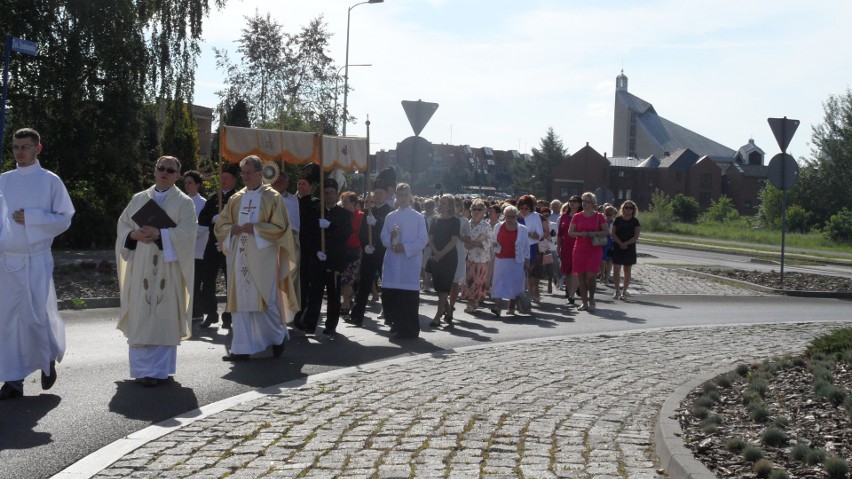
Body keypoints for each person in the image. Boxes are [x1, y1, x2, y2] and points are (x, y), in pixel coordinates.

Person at [0, 128, 75, 400]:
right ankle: (12, 379)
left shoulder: (50, 181)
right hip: (7, 260)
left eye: (25, 146)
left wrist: (32, 217)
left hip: (36, 259)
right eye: (15, 147)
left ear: (37, 149)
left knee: (35, 316)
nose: (19, 152)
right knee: (7, 321)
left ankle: (47, 361)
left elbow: (65, 217)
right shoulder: (3, 181)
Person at [116, 156, 196, 386]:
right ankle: (141, 370)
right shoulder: (139, 198)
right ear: (154, 171)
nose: (164, 172)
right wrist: (133, 235)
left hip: (167, 267)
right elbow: (123, 226)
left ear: (177, 175)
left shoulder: (184, 203)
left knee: (164, 313)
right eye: (161, 168)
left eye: (170, 170)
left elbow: (188, 233)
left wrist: (161, 234)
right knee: (142, 313)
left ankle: (159, 371)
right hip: (141, 263)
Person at [214, 155, 297, 361]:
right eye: (243, 172)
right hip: (238, 257)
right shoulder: (236, 198)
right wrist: (229, 229)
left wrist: (257, 229)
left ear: (261, 173)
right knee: (239, 304)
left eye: (249, 172)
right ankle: (241, 348)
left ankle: (277, 337)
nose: (246, 176)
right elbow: (220, 225)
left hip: (263, 258)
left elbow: (281, 228)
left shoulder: (272, 197)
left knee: (265, 303)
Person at [297, 178, 352, 335]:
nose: (328, 196)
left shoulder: (344, 214)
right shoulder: (315, 212)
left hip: (334, 260)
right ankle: (310, 324)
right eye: (325, 193)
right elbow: (307, 235)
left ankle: (331, 325)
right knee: (315, 293)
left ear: (336, 194)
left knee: (334, 294)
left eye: (331, 193)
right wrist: (316, 251)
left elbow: (345, 234)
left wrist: (331, 226)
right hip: (318, 259)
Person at [380, 183, 428, 339]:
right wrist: (391, 242)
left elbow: (423, 240)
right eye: (400, 195)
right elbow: (383, 236)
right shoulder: (390, 216)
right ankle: (395, 324)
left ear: (410, 196)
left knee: (408, 299)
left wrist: (405, 247)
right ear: (396, 197)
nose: (403, 198)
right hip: (393, 262)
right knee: (392, 296)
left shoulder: (418, 217)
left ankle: (411, 329)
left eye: (406, 194)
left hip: (409, 263)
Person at [197, 162, 240, 329]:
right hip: (213, 244)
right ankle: (211, 313)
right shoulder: (214, 198)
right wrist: (213, 218)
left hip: (230, 244)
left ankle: (229, 315)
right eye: (221, 178)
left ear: (234, 180)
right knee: (207, 279)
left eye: (227, 178)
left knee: (231, 281)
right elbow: (202, 219)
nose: (224, 181)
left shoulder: (238, 198)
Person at [345, 184, 391, 327]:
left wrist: (377, 223)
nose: (377, 196)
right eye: (375, 193)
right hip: (369, 253)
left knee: (387, 285)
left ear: (386, 196)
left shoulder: (390, 212)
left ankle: (389, 316)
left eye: (380, 193)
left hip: (383, 253)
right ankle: (357, 316)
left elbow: (390, 231)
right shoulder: (367, 211)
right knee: (364, 285)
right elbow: (362, 232)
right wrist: (365, 245)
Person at [568, 192, 609, 312]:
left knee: (591, 275)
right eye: (583, 201)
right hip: (580, 249)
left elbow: (606, 232)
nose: (584, 204)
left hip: (594, 249)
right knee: (581, 276)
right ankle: (584, 302)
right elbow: (571, 232)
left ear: (593, 204)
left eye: (587, 201)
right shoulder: (577, 216)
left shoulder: (599, 216)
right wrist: (580, 234)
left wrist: (593, 233)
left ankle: (591, 296)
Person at [271, 170, 301, 325]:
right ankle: (272, 312)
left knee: (290, 276)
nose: (278, 184)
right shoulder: (266, 198)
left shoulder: (293, 200)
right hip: (270, 243)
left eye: (282, 181)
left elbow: (295, 224)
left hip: (289, 241)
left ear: (287, 183)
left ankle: (291, 313)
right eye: (275, 181)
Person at [490, 205, 530, 316]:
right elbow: (492, 239)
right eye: (508, 216)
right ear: (504, 215)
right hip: (501, 259)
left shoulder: (522, 229)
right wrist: (494, 244)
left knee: (515, 284)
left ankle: (511, 307)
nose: (510, 218)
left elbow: (527, 246)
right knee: (498, 282)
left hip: (516, 261)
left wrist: (527, 260)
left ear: (516, 216)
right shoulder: (498, 226)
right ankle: (497, 307)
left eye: (512, 216)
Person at [427, 194, 460, 328]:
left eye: (444, 203)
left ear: (450, 206)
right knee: (438, 287)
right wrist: (435, 251)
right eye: (440, 203)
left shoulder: (455, 221)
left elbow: (454, 240)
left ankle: (437, 317)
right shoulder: (435, 219)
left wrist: (441, 253)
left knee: (444, 288)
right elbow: (429, 238)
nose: (441, 205)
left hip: (449, 258)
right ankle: (447, 308)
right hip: (435, 256)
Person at [294, 164, 321, 327]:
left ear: (311, 186)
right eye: (299, 183)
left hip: (307, 248)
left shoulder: (316, 203)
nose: (300, 186)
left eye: (304, 184)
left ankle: (300, 313)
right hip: (291, 246)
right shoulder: (291, 201)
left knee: (303, 283)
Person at [182, 170, 208, 319]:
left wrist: (185, 233)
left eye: (190, 182)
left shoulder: (202, 203)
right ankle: (185, 308)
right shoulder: (181, 201)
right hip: (182, 248)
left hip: (198, 249)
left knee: (195, 281)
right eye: (185, 183)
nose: (187, 185)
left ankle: (197, 311)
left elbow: (203, 228)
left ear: (197, 184)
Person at [461, 199, 492, 314]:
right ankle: (472, 302)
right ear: (470, 211)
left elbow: (490, 242)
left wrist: (478, 243)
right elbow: (461, 238)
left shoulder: (487, 226)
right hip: (467, 257)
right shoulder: (466, 224)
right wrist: (467, 243)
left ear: (484, 211)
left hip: (481, 259)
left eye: (479, 209)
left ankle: (471, 303)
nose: (476, 212)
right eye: (474, 209)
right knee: (468, 281)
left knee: (477, 282)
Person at [339, 191, 363, 316]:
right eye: (342, 202)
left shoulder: (360, 216)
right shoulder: (339, 214)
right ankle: (349, 296)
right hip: (341, 250)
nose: (343, 204)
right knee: (342, 278)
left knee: (348, 277)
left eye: (345, 202)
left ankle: (345, 303)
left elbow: (363, 234)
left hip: (354, 250)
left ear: (353, 203)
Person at [611, 200, 641, 300]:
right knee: (616, 269)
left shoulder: (635, 221)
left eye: (630, 208)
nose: (628, 209)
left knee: (627, 270)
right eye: (626, 207)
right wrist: (620, 243)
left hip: (629, 247)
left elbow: (636, 236)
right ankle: (617, 291)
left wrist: (626, 244)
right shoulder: (618, 219)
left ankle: (624, 291)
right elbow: (613, 233)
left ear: (633, 210)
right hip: (618, 246)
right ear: (623, 209)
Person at [448, 195, 471, 320]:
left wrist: (461, 236)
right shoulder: (443, 219)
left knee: (454, 283)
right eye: (453, 205)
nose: (455, 208)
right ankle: (445, 305)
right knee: (443, 283)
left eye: (457, 205)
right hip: (445, 253)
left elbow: (469, 239)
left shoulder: (464, 221)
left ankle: (451, 306)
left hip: (458, 253)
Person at [517, 195, 543, 300]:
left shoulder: (535, 216)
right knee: (520, 271)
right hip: (518, 248)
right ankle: (522, 293)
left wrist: (527, 233)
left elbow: (539, 234)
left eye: (526, 208)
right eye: (521, 208)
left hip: (532, 247)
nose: (523, 210)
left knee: (532, 271)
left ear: (530, 208)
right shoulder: (515, 216)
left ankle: (534, 290)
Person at [558, 196, 581, 306]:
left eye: (575, 201)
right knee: (567, 271)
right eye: (570, 201)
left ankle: (572, 295)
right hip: (566, 246)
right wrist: (558, 246)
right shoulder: (564, 216)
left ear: (579, 204)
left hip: (578, 245)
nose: (572, 203)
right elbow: (560, 233)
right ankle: (568, 291)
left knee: (575, 270)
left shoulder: (581, 216)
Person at [531, 209, 556, 302]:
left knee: (539, 269)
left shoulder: (541, 218)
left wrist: (539, 236)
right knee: (529, 269)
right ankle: (531, 291)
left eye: (547, 215)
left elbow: (548, 233)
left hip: (541, 247)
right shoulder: (521, 217)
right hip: (527, 247)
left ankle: (537, 289)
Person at [599, 205, 618, 286]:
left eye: (610, 214)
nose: (609, 216)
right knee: (602, 261)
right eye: (607, 214)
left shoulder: (615, 223)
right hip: (602, 241)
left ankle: (606, 278)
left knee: (609, 261)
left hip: (611, 242)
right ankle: (602, 274)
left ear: (613, 214)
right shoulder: (602, 221)